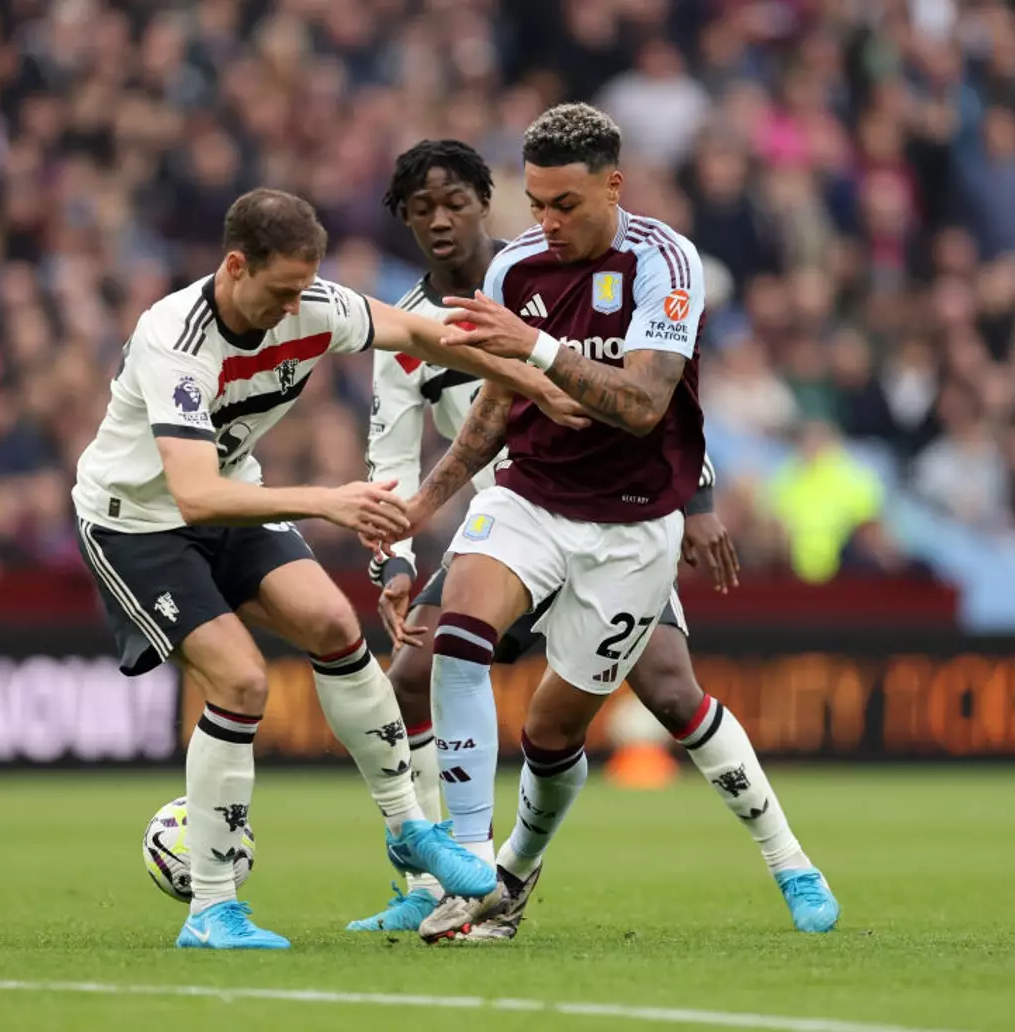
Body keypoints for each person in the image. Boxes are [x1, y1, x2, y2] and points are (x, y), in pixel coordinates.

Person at [71, 188, 587, 951]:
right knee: (241, 682)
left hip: (232, 495)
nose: (293, 308)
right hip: (139, 521)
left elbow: (420, 332)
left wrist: (533, 380)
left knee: (334, 626)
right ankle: (211, 910)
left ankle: (411, 832)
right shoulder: (174, 340)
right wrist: (330, 502)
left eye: (303, 289)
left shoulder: (313, 300)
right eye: (280, 291)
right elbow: (192, 491)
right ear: (235, 265)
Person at [349, 138, 838, 939]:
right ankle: (453, 869)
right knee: (428, 659)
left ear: (482, 202)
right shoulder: (419, 326)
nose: (544, 221)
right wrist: (404, 536)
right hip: (524, 504)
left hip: (629, 519)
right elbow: (456, 431)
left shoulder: (655, 263)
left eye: (457, 204)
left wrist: (702, 497)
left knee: (604, 713)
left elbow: (654, 404)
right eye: (420, 209)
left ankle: (786, 862)